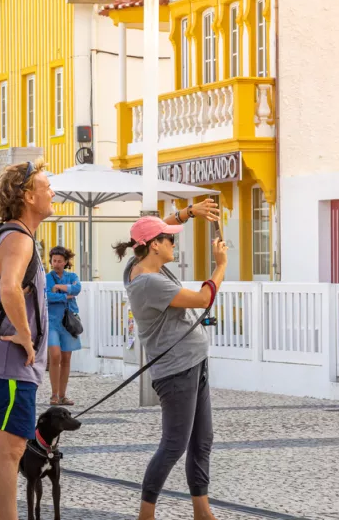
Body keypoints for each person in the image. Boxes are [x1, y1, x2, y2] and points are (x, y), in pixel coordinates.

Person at [113, 200, 224, 520]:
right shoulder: (149, 283)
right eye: (169, 239)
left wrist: (189, 213)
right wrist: (220, 264)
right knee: (174, 444)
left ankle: (202, 512)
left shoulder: (141, 265)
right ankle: (145, 514)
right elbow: (204, 298)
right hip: (176, 370)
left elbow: (158, 225)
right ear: (153, 246)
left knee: (202, 440)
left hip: (194, 361)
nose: (174, 242)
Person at [0, 159, 52, 520]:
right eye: (46, 186)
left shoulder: (5, 234)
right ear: (27, 195)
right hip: (10, 362)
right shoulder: (18, 239)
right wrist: (25, 334)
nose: (53, 193)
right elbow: (9, 288)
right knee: (11, 449)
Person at [45, 246, 81, 406]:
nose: (56, 264)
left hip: (68, 322)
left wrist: (59, 288)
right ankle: (53, 394)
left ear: (66, 262)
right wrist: (66, 296)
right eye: (54, 261)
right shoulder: (47, 277)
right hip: (52, 321)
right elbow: (47, 296)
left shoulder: (72, 275)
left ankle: (62, 395)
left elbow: (77, 288)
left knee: (66, 358)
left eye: (60, 261)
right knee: (54, 355)